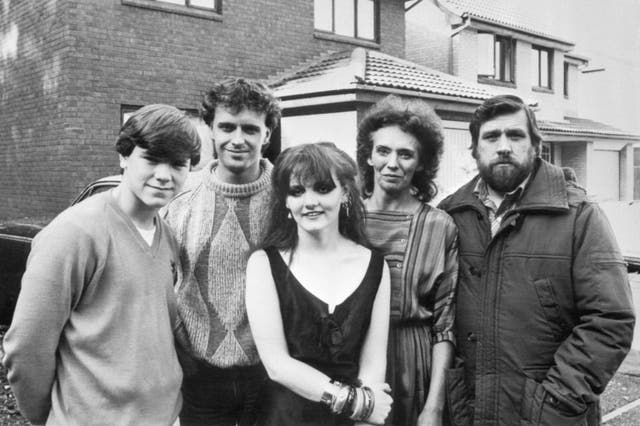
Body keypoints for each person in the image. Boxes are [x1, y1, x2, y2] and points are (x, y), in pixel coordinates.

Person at [438, 95, 635, 425]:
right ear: (474, 149)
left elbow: (610, 320)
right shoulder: (450, 215)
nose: (504, 146)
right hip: (467, 412)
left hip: (550, 416)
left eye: (515, 136)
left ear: (535, 145)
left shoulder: (579, 215)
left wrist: (555, 402)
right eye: (491, 136)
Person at [3, 104, 201, 425]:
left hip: (165, 417)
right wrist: (51, 417)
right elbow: (26, 348)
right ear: (124, 156)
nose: (164, 175)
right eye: (151, 159)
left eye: (178, 164)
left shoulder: (167, 235)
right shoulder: (74, 233)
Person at [246, 142, 393, 425]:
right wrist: (355, 403)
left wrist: (365, 416)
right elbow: (277, 365)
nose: (310, 201)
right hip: (282, 418)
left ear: (345, 193)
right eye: (297, 191)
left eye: (323, 189)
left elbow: (374, 365)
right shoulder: (263, 264)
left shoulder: (376, 266)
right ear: (286, 201)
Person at [162, 77, 281, 426]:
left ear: (267, 134)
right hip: (199, 376)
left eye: (250, 128)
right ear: (209, 130)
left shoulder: (291, 198)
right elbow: (157, 282)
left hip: (271, 374)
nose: (238, 139)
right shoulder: (178, 198)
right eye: (227, 127)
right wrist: (179, 349)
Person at [356, 95, 458, 426]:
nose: (392, 163)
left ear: (421, 163)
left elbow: (445, 324)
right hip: (351, 361)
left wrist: (434, 407)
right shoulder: (344, 219)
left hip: (414, 365)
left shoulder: (439, 226)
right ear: (368, 156)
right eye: (383, 151)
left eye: (405, 154)